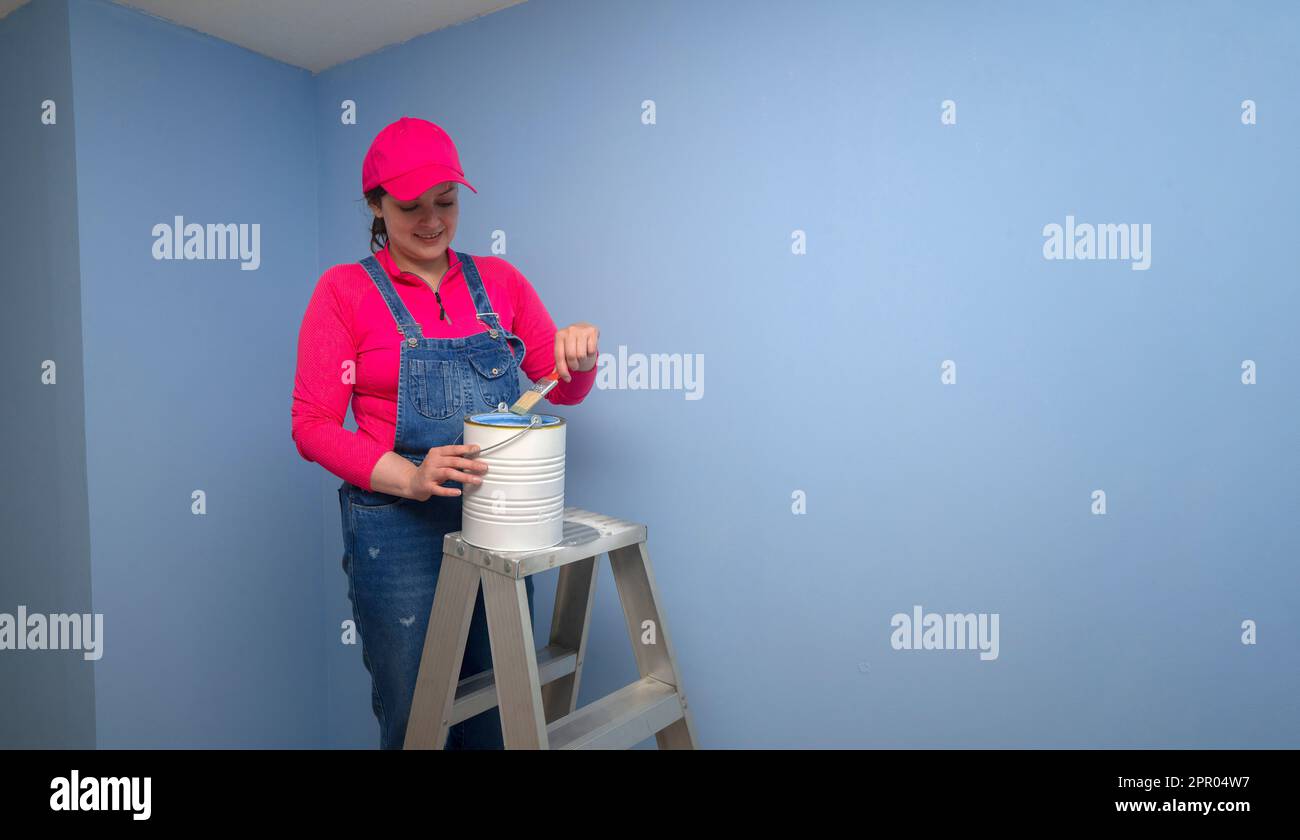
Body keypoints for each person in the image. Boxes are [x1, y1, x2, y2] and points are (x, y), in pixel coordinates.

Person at [291, 116, 600, 749]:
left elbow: (556, 385)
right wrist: (410, 475)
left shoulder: (500, 282)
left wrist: (580, 358)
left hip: (497, 520)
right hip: (395, 531)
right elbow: (313, 426)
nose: (432, 220)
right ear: (377, 206)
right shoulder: (344, 291)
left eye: (447, 202)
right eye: (410, 206)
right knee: (417, 718)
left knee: (495, 712)